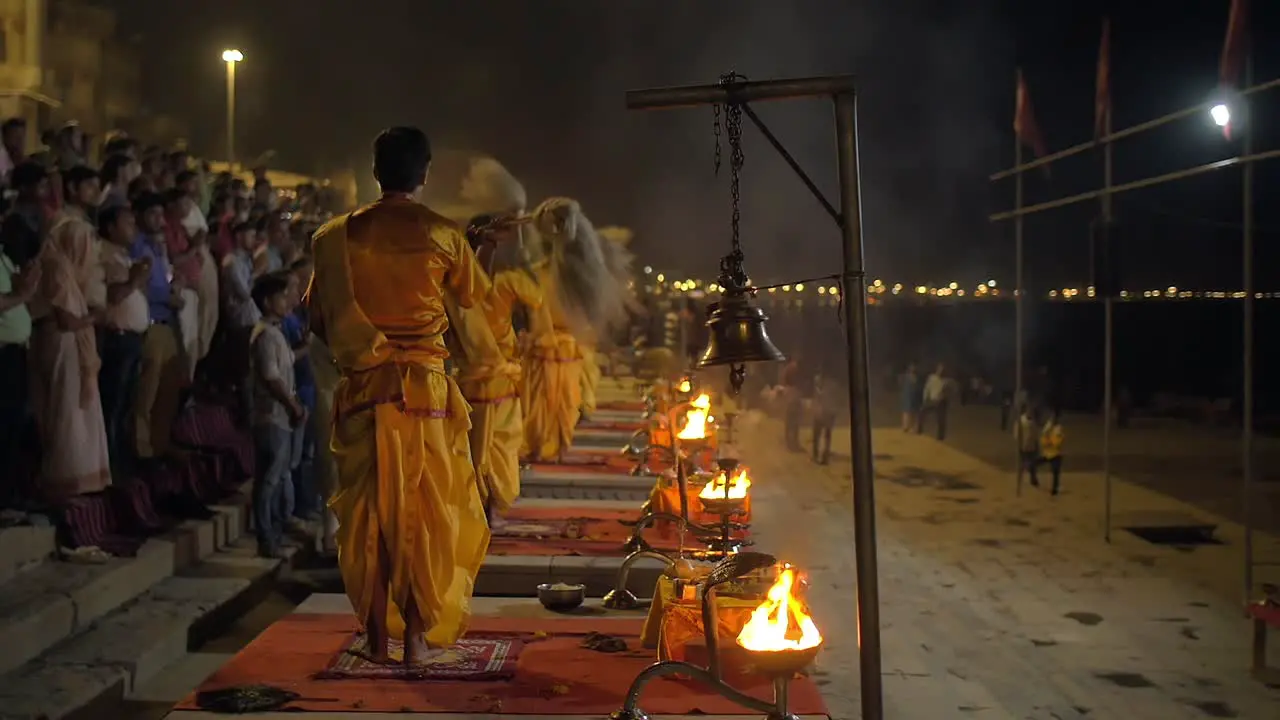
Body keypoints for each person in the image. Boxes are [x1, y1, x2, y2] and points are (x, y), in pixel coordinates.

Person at [307, 127, 490, 664]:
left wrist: (361, 351)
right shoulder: (444, 233)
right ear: (425, 173)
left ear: (375, 171)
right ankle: (415, 641)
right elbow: (469, 302)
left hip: (365, 392)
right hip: (426, 394)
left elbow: (318, 316)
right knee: (425, 513)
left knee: (369, 517)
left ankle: (376, 638)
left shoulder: (335, 236)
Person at [28, 165, 111, 502]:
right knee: (66, 411)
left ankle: (81, 481)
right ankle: (64, 483)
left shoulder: (63, 260)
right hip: (61, 341)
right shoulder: (57, 266)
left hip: (69, 339)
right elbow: (66, 316)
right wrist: (93, 314)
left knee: (78, 412)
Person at [452, 215, 526, 528]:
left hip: (500, 382)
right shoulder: (463, 295)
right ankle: (485, 508)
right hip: (479, 382)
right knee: (478, 452)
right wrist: (482, 246)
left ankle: (489, 507)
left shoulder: (504, 284)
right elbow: (472, 288)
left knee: (498, 448)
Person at [249, 272, 306, 559]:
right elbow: (272, 378)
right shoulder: (265, 335)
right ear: (268, 301)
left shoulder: (275, 333)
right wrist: (293, 405)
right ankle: (266, 539)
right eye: (283, 296)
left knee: (277, 478)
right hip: (271, 417)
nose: (288, 301)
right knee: (269, 481)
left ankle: (275, 536)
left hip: (280, 417)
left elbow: (289, 362)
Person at [130, 192, 186, 463]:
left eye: (160, 215)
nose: (159, 220)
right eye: (153, 214)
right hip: (152, 324)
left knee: (167, 390)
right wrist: (169, 297)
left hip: (167, 323)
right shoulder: (137, 246)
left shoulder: (155, 246)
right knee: (146, 394)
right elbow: (143, 288)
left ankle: (159, 445)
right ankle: (142, 451)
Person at [97, 205, 150, 477]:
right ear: (110, 228)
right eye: (127, 222)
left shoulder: (122, 255)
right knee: (113, 404)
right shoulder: (102, 255)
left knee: (127, 404)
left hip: (132, 339)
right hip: (117, 339)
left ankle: (122, 461)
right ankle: (110, 465)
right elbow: (109, 296)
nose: (134, 227)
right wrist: (133, 282)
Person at [0, 232, 39, 506]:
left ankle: (11, 492)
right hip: (3, 356)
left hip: (16, 353)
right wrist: (21, 293)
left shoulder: (4, 256)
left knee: (15, 426)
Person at [810, 370, 837, 465]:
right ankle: (822, 455)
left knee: (819, 434)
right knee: (826, 435)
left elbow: (819, 396)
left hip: (823, 411)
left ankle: (819, 455)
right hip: (827, 411)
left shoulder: (819, 384)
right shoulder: (832, 384)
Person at [918, 363, 950, 440]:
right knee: (922, 413)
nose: (941, 371)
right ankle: (919, 429)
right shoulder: (932, 378)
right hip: (931, 400)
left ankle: (940, 436)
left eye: (942, 370)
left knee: (941, 419)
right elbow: (927, 388)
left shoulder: (946, 381)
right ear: (937, 370)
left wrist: (944, 396)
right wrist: (925, 398)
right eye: (940, 369)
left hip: (941, 401)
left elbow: (949, 391)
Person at [1037, 409, 1065, 495]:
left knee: (1055, 473)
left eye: (1054, 417)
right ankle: (1034, 479)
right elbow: (1043, 438)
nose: (1052, 419)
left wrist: (1049, 441)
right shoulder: (1048, 426)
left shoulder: (1058, 429)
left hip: (1056, 454)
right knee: (1034, 463)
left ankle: (1054, 489)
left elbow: (1057, 442)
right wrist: (1047, 441)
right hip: (1047, 453)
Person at [1014, 405, 1040, 487]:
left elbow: (1035, 433)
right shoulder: (1021, 421)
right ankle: (1020, 479)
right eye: (1029, 411)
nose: (1030, 413)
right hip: (1023, 445)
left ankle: (1033, 478)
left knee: (1033, 463)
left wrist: (1036, 443)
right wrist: (1019, 442)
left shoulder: (1033, 421)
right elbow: (1016, 433)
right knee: (1023, 463)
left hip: (1032, 445)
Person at [898, 363, 921, 432]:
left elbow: (919, 388)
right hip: (907, 396)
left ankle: (914, 427)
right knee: (906, 412)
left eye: (914, 369)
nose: (912, 370)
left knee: (915, 413)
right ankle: (906, 426)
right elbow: (900, 383)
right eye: (911, 369)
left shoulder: (917, 378)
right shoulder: (905, 377)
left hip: (915, 397)